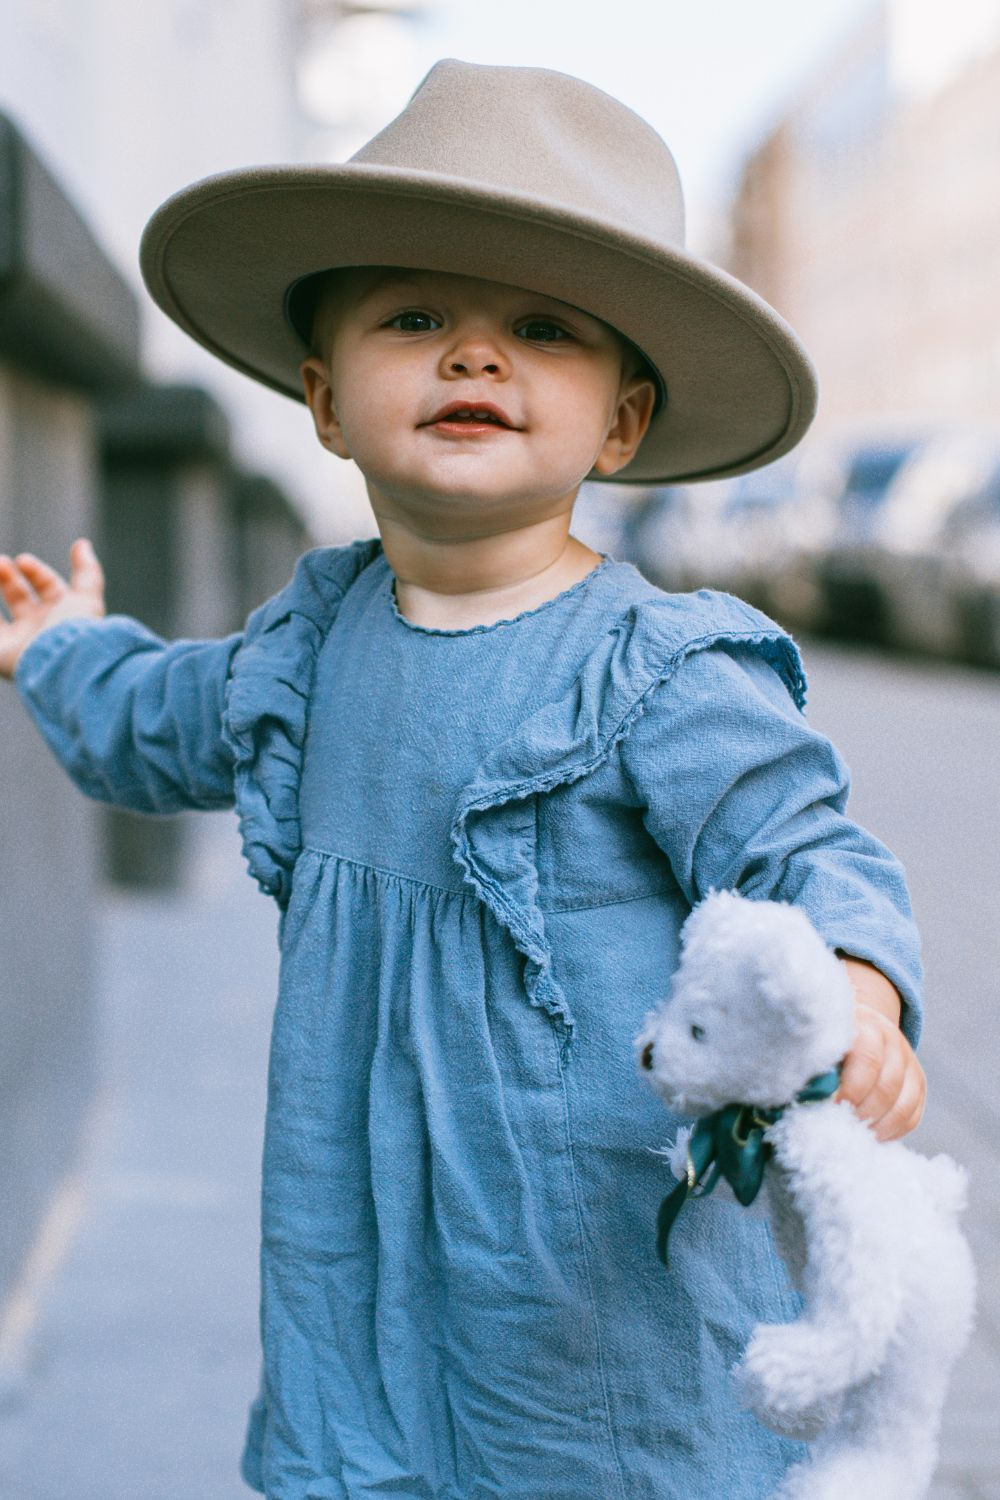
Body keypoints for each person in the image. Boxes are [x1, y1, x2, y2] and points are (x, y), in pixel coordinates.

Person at [0, 60, 925, 1500]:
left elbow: (804, 847)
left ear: (619, 424)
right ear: (321, 396)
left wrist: (861, 981)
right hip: (361, 1237)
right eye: (416, 316)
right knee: (379, 1457)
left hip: (586, 1262)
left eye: (543, 330)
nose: (474, 356)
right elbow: (156, 717)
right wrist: (59, 647)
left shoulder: (658, 670)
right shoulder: (308, 644)